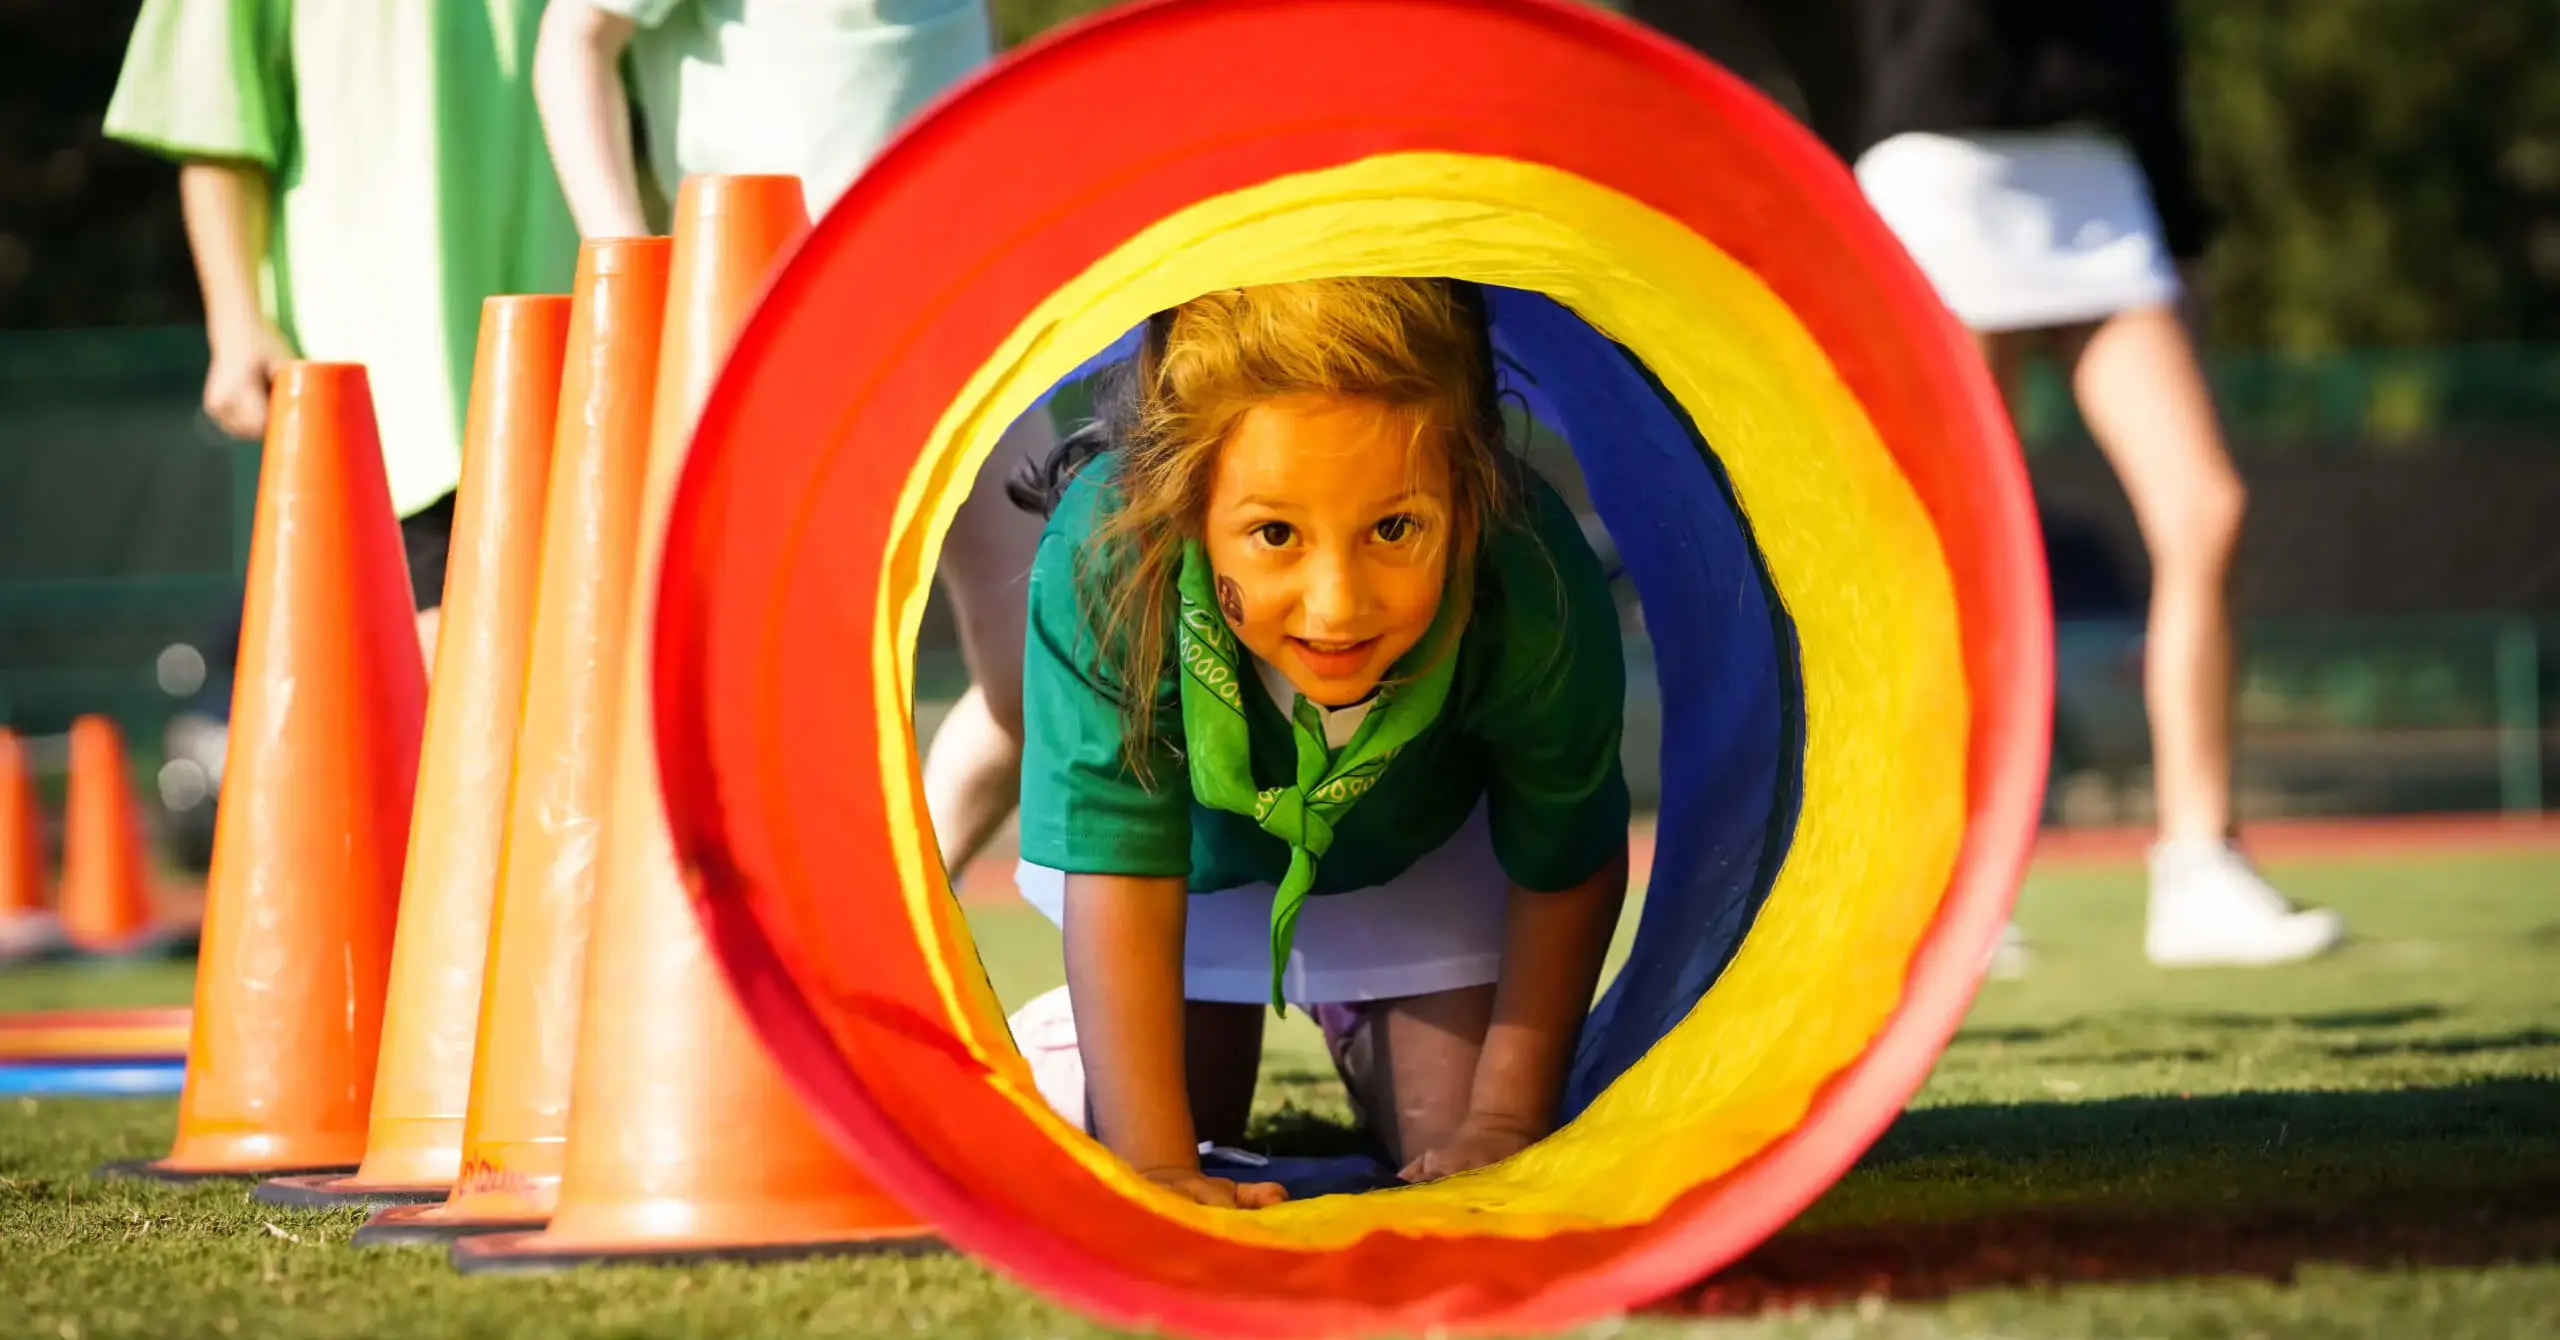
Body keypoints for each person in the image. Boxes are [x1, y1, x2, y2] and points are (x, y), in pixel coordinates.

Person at [1626, 0, 2343, 968]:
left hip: (2100, 180)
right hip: (1941, 164)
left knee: (2208, 509)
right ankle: (1946, 878)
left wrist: (2179, 232)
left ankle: (2199, 865)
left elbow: (2148, 39)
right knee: (1948, 536)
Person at [1003, 279, 1631, 1208]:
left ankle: (1361, 1005)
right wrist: (1157, 1163)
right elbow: (1116, 856)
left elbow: (1567, 853)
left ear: (1469, 491)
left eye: (1394, 528)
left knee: (1465, 1143)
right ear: (1184, 496)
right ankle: (1067, 1040)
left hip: (1420, 840)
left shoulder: (1528, 572)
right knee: (1172, 1118)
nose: (1337, 605)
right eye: (1274, 534)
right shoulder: (1108, 550)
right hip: (1187, 863)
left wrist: (1506, 1115)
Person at [533, 0, 1046, 872]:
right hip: (774, 315)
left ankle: (900, 917)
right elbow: (574, 39)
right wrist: (626, 258)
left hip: (963, 310)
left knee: (1049, 668)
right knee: (806, 695)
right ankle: (785, 949)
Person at [105, 0, 581, 660]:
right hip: (396, 376)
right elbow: (217, 104)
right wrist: (237, 319)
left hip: (579, 366)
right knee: (454, 684)